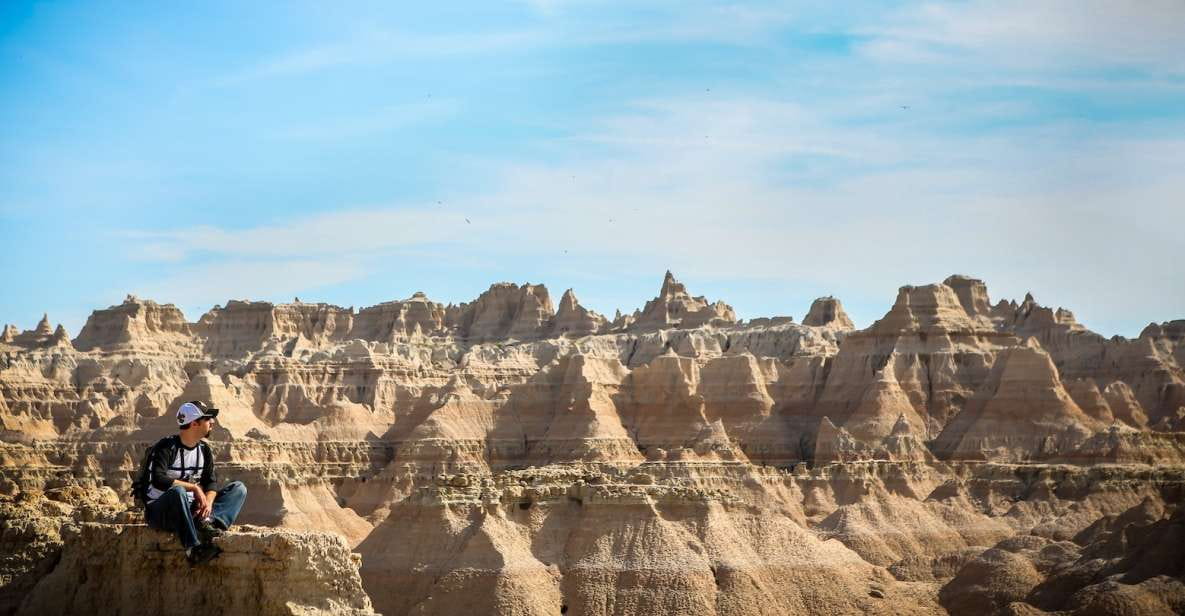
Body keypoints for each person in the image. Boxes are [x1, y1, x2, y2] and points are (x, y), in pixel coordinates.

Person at [144, 400, 248, 566]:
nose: (212, 422)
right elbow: (158, 480)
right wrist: (194, 488)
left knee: (238, 489)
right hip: (161, 512)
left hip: (190, 509)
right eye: (208, 419)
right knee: (177, 492)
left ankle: (208, 524)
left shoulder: (204, 450)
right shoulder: (166, 447)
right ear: (194, 424)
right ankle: (193, 549)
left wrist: (207, 502)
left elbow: (211, 483)